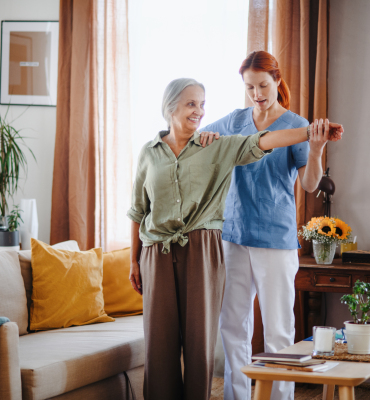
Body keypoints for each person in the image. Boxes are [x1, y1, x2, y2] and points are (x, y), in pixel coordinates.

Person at [127, 77, 342, 400]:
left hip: (226, 244)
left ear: (276, 83)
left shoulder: (219, 145)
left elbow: (264, 141)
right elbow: (137, 210)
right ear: (170, 107)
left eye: (202, 104)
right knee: (184, 335)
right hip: (179, 246)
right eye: (191, 104)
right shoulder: (156, 150)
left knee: (223, 336)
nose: (199, 111)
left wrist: (312, 134)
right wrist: (134, 258)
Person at [199, 50, 330, 400]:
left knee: (278, 330)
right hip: (234, 235)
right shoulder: (233, 121)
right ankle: (236, 396)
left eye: (262, 85)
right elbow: (197, 141)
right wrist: (205, 142)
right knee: (232, 326)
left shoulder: (295, 124)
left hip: (275, 238)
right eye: (249, 87)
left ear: (277, 81)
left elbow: (309, 185)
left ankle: (280, 397)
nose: (256, 93)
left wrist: (315, 149)